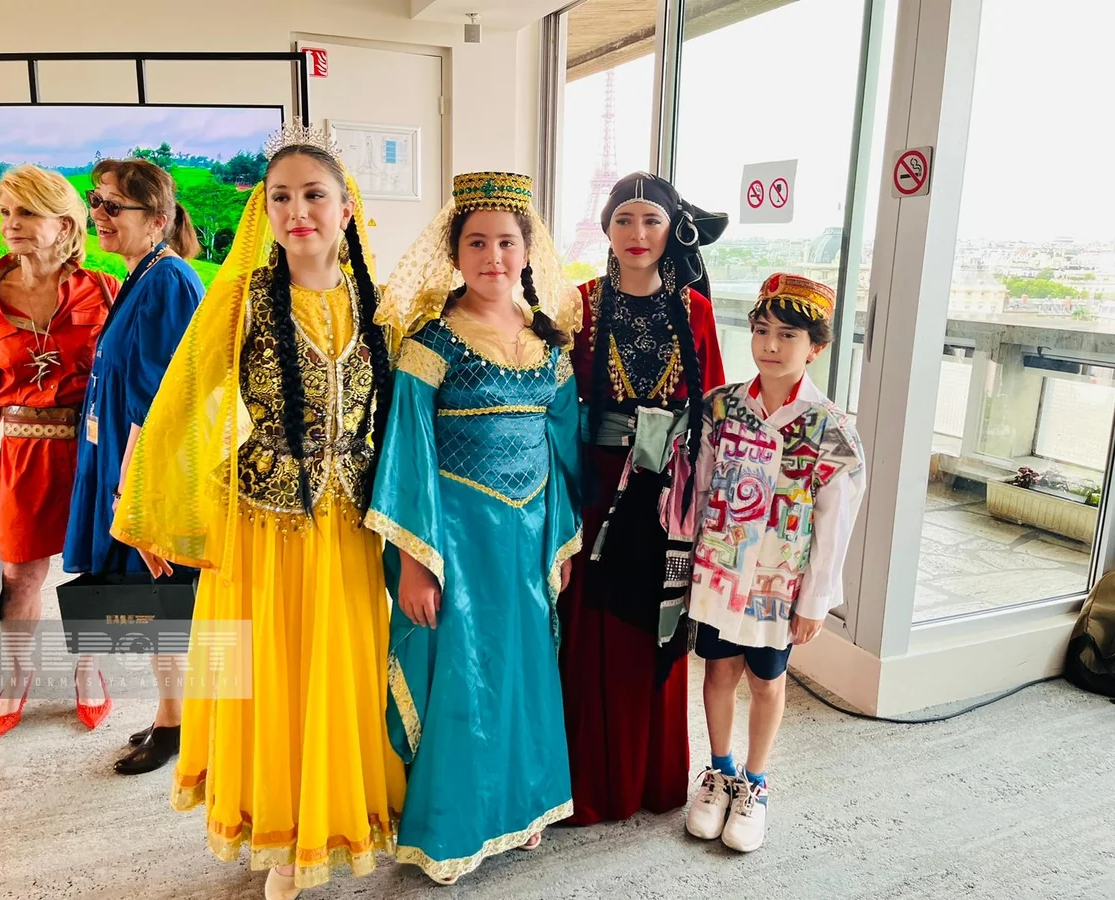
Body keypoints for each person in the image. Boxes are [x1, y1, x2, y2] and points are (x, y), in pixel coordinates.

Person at [110, 123, 404, 898]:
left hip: (347, 526)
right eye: (281, 197)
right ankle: (282, 835)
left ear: (347, 209)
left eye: (314, 194)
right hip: (263, 526)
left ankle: (336, 816)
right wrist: (146, 494)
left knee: (341, 671)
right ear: (263, 211)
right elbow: (178, 399)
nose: (297, 210)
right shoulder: (240, 298)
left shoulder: (382, 307)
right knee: (269, 674)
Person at [367, 171, 583, 885]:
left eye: (506, 242)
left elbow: (562, 449)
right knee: (463, 677)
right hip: (454, 535)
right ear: (454, 254)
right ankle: (454, 826)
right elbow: (407, 452)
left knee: (524, 672)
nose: (494, 256)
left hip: (525, 540)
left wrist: (561, 539)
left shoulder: (550, 344)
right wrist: (415, 563)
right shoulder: (432, 341)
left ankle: (521, 804)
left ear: (528, 252)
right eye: (477, 242)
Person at [558, 171, 728, 824]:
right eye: (624, 220)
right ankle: (592, 785)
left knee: (652, 627)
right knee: (594, 627)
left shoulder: (699, 312)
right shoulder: (579, 305)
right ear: (605, 229)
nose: (637, 234)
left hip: (672, 495)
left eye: (650, 221)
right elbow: (553, 405)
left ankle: (653, 781)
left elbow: (712, 414)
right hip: (597, 488)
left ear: (668, 231)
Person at [679, 273, 866, 852]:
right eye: (761, 330)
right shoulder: (720, 405)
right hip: (721, 572)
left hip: (779, 584)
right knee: (717, 672)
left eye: (788, 335)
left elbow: (836, 522)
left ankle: (756, 783)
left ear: (815, 347)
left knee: (766, 679)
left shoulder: (832, 428)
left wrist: (815, 601)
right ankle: (719, 772)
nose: (770, 345)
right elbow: (702, 489)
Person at [0, 164, 117, 741]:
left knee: (95, 569)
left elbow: (129, 376)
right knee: (22, 575)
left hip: (92, 450)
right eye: (5, 213)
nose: (11, 225)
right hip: (23, 454)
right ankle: (17, 677)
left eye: (25, 213)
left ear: (63, 222)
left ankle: (88, 669)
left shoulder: (103, 289)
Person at [62, 158, 203, 774]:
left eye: (114, 206)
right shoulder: (140, 275)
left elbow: (165, 399)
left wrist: (134, 491)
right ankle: (173, 716)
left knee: (164, 604)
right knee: (152, 608)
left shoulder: (168, 282)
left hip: (149, 472)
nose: (99, 215)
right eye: (96, 202)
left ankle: (178, 727)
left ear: (159, 219)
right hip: (125, 465)